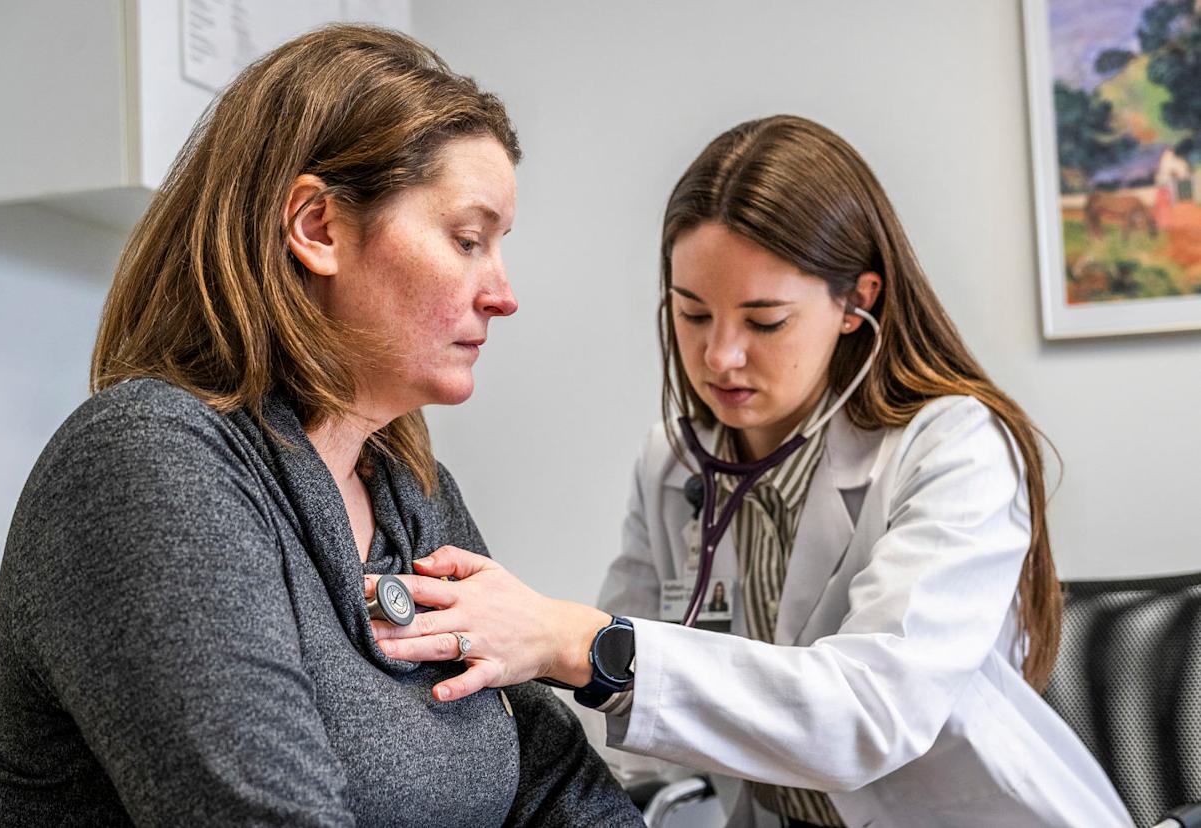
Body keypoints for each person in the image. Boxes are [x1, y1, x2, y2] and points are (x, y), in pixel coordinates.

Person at [0, 25, 640, 827]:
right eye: (467, 240)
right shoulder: (148, 464)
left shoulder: (411, 496)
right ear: (317, 227)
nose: (503, 294)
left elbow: (559, 788)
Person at [369, 116, 1134, 827]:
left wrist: (574, 639)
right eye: (693, 313)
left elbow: (869, 716)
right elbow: (631, 733)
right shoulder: (675, 464)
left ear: (856, 302)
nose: (720, 356)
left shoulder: (954, 448)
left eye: (765, 321)